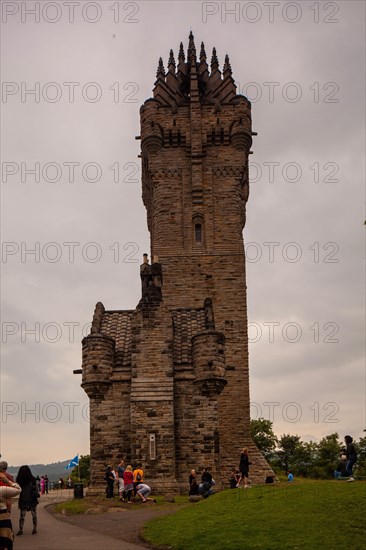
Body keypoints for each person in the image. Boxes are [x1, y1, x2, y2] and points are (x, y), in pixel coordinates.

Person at [0, 467, 21, 550]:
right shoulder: (1, 490)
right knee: (5, 544)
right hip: (3, 520)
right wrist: (7, 481)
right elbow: (18, 489)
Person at [15, 465, 39, 536]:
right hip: (32, 498)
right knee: (34, 515)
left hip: (23, 499)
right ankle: (34, 529)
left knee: (22, 516)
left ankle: (21, 530)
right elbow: (35, 488)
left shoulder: (19, 480)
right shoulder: (32, 479)